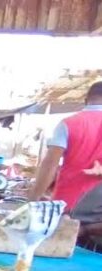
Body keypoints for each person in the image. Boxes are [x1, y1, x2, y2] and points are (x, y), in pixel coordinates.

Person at [29, 81, 102, 240]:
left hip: (66, 206)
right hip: (98, 217)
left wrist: (33, 199)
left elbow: (50, 165)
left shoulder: (69, 123)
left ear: (86, 100)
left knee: (58, 250)